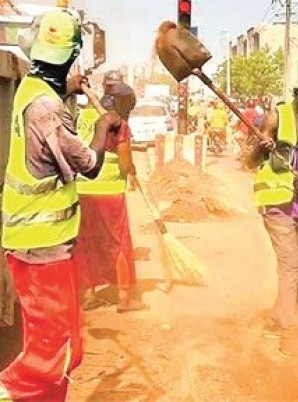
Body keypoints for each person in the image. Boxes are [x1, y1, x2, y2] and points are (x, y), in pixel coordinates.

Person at [0, 10, 123, 401]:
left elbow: (50, 94)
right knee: (54, 353)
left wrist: (68, 87)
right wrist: (103, 128)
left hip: (52, 245)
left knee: (69, 350)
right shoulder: (48, 110)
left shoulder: (32, 89)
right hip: (41, 247)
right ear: (73, 56)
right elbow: (88, 163)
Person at [245, 67, 298, 357]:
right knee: (291, 268)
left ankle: (279, 312)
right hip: (277, 203)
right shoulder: (276, 116)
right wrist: (262, 147)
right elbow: (249, 162)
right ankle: (285, 331)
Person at [74, 73, 146, 314]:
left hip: (82, 189)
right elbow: (125, 161)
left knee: (87, 243)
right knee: (119, 243)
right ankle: (125, 298)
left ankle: (89, 295)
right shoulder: (118, 123)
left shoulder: (82, 116)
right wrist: (132, 172)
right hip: (109, 192)